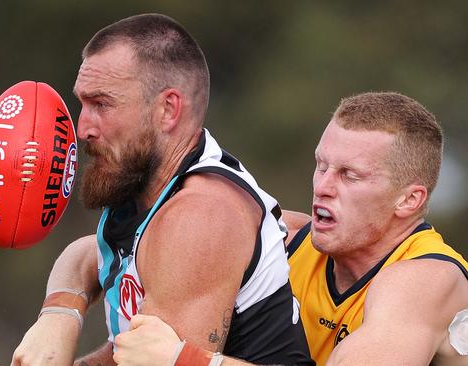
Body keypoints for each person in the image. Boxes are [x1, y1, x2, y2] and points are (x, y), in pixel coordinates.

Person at [0, 13, 313, 366]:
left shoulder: (199, 216)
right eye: (82, 103)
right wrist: (60, 312)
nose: (82, 128)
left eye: (102, 105)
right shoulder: (144, 193)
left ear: (168, 111)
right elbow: (85, 257)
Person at [110, 92, 468, 365]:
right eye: (321, 165)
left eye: (350, 175)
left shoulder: (426, 279)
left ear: (409, 200)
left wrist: (183, 359)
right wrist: (64, 308)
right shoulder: (292, 237)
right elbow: (91, 249)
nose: (323, 186)